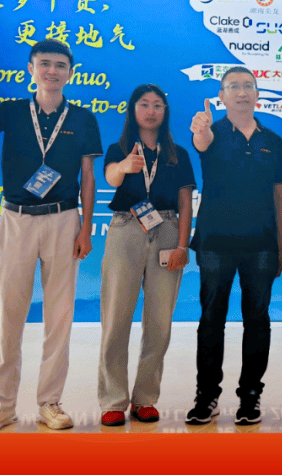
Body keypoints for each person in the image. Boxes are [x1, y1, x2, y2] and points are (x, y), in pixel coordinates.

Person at [0, 39, 102, 433]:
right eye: (45, 64)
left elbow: (88, 177)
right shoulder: (10, 110)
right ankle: (1, 405)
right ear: (31, 68)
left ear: (70, 72)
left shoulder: (83, 118)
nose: (52, 71)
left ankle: (50, 403)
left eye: (60, 65)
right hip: (16, 220)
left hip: (64, 219)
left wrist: (86, 228)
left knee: (59, 316)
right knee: (9, 313)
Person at [186, 67, 282, 426]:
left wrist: (278, 248)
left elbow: (281, 198)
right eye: (233, 86)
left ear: (257, 94)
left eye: (248, 86)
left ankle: (250, 395)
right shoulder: (210, 132)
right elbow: (201, 144)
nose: (242, 92)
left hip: (260, 245)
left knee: (257, 319)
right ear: (222, 96)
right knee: (211, 319)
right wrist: (201, 130)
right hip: (215, 242)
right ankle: (207, 395)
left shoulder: (273, 140)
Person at [97, 85, 195, 426]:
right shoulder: (119, 148)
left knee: (159, 322)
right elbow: (111, 178)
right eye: (144, 104)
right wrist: (125, 166)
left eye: (158, 105)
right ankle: (113, 399)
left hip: (167, 230)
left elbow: (185, 203)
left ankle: (145, 399)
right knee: (116, 318)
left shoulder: (178, 154)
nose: (151, 111)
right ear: (133, 109)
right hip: (126, 228)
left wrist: (182, 245)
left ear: (165, 112)